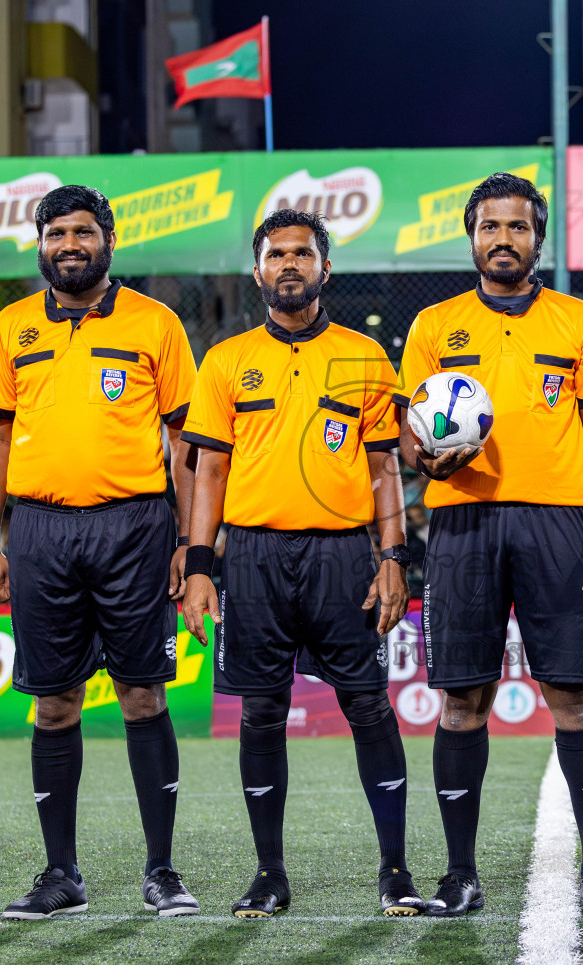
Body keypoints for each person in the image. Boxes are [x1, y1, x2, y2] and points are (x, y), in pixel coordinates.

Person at [395, 173, 583, 917]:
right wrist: (428, 458)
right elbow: (408, 441)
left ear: (538, 237)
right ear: (471, 236)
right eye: (490, 226)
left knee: (574, 697)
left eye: (518, 227)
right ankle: (459, 873)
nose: (504, 239)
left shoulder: (581, 324)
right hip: (462, 524)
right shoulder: (435, 326)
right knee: (462, 700)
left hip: (559, 525)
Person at [0, 185, 200, 920]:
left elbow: (184, 442)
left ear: (107, 239)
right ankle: (59, 874)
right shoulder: (11, 327)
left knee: (142, 694)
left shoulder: (155, 322)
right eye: (57, 233)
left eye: (83, 232)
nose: (70, 244)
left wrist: (191, 544)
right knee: (54, 701)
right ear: (40, 244)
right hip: (39, 532)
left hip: (135, 528)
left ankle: (161, 872)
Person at [179, 210, 415, 918]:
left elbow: (383, 471)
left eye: (302, 254)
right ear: (258, 271)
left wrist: (393, 556)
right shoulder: (224, 361)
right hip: (252, 555)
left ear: (325, 269)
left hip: (343, 553)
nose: (289, 264)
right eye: (276, 254)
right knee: (261, 711)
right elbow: (208, 477)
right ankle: (269, 874)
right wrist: (197, 566)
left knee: (369, 705)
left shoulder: (366, 357)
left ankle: (395, 870)